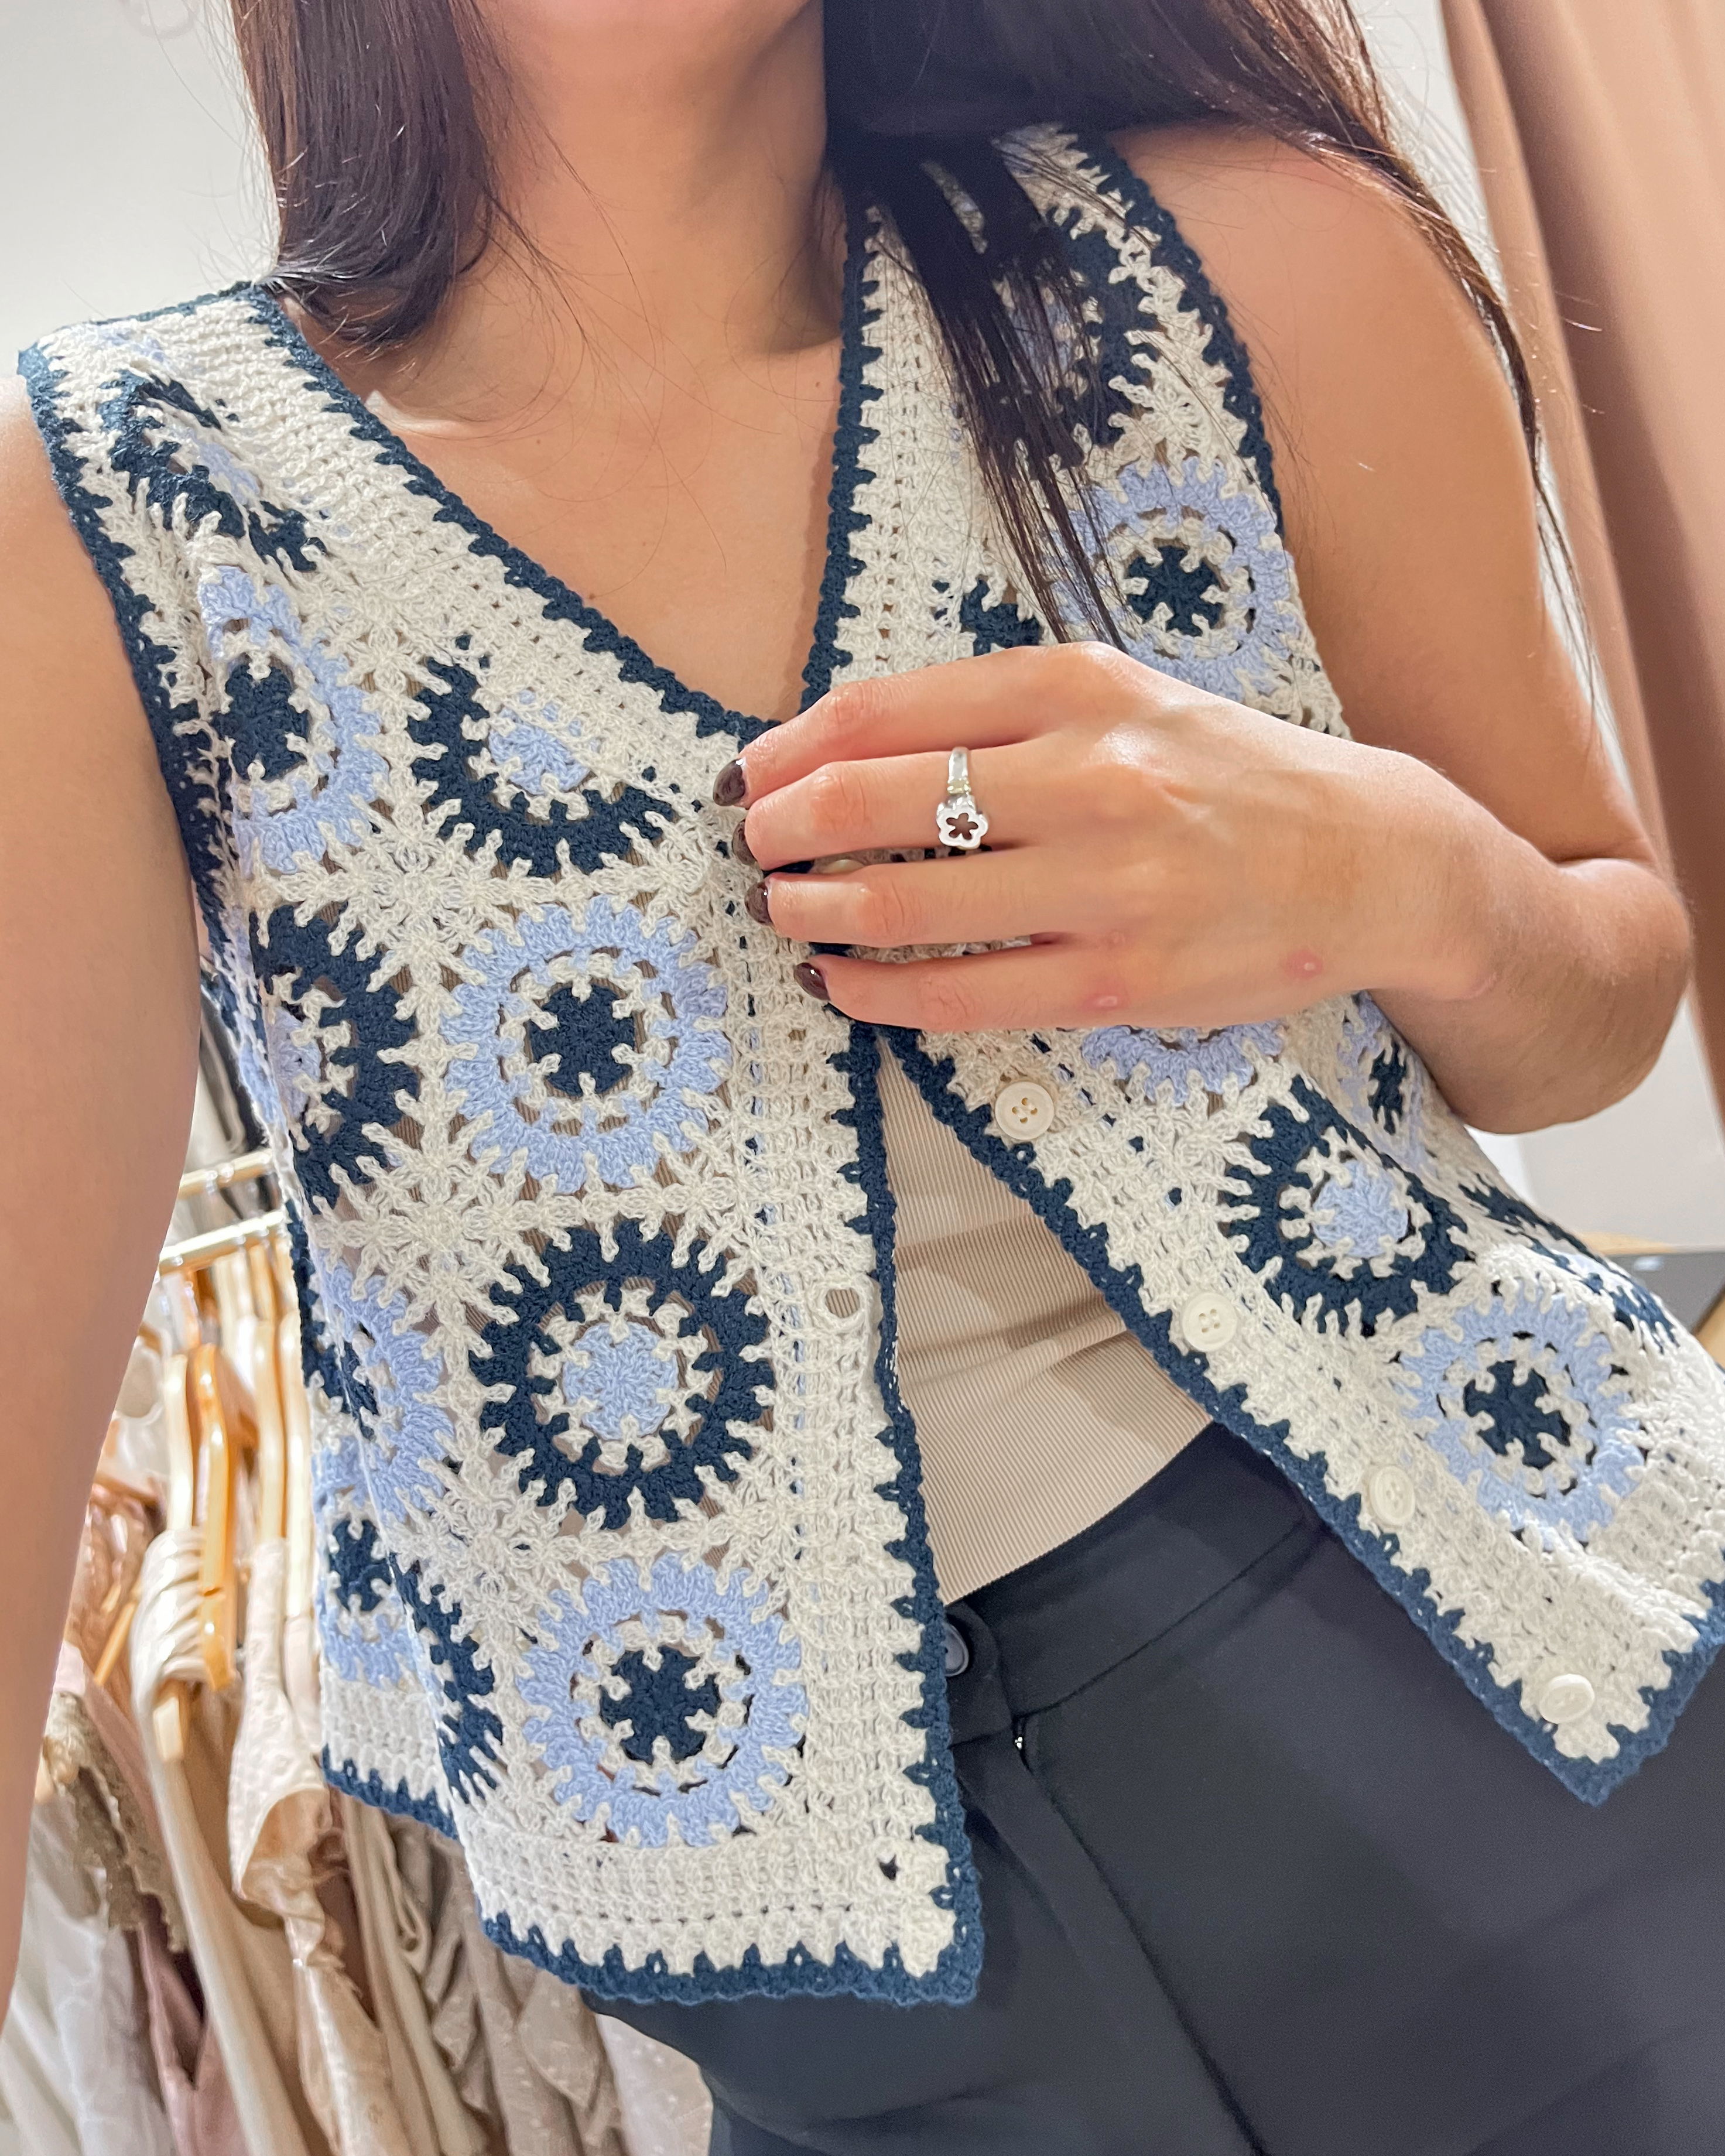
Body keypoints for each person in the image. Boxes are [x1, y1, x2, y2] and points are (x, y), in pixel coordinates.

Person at [5, 1, 1724, 2149]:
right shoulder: (125, 515)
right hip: (807, 1965)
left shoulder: (1249, 258)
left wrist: (1384, 876)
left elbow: (1597, 996)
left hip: (1517, 1696)